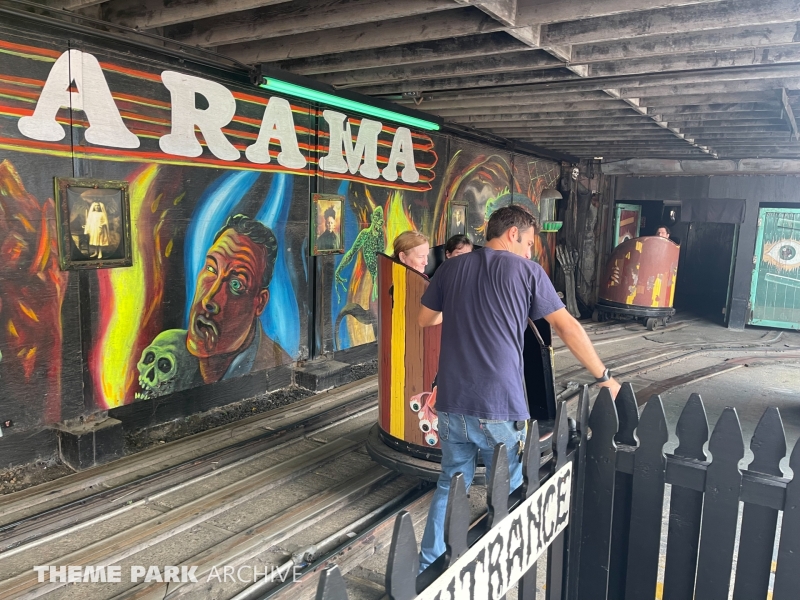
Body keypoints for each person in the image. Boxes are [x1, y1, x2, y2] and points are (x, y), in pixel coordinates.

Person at [416, 205, 620, 571]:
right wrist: (604, 375)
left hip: (451, 402)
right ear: (513, 233)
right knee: (507, 488)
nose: (529, 253)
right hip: (498, 405)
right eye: (528, 244)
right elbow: (566, 327)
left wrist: (462, 306)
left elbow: (425, 318)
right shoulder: (528, 272)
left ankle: (428, 568)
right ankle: (497, 568)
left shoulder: (451, 268)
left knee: (451, 482)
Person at [186, 214, 291, 384]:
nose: (209, 300)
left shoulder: (276, 370)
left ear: (260, 303)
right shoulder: (170, 352)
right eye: (211, 269)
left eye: (236, 284)